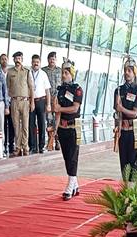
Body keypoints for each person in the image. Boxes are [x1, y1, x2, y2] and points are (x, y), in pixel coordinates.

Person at [53, 58, 83, 200]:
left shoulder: (77, 90)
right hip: (62, 127)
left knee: (72, 157)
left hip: (73, 127)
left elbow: (75, 108)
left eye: (66, 73)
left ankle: (70, 186)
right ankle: (75, 184)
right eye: (62, 73)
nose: (63, 75)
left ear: (72, 74)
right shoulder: (60, 90)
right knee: (66, 157)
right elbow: (57, 111)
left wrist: (60, 108)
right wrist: (55, 130)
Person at [114, 55, 137, 181]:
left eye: (129, 70)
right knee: (123, 160)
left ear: (134, 73)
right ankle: (125, 184)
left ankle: (132, 186)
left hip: (133, 129)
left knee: (132, 159)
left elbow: (135, 113)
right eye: (125, 70)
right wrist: (117, 125)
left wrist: (122, 108)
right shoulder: (118, 90)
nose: (127, 73)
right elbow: (116, 111)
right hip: (122, 128)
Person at [6, 51, 35, 156]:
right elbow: (7, 87)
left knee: (25, 125)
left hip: (25, 101)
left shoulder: (27, 71)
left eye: (19, 58)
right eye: (16, 58)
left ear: (22, 60)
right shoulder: (10, 72)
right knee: (16, 125)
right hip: (14, 101)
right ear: (13, 60)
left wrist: (32, 102)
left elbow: (31, 87)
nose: (17, 60)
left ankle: (25, 146)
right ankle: (18, 147)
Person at [29, 54, 51, 153]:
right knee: (31, 124)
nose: (36, 64)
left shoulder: (43, 74)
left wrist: (48, 104)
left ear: (40, 63)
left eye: (37, 62)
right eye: (34, 62)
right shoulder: (28, 73)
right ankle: (32, 146)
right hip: (31, 101)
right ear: (31, 63)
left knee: (42, 123)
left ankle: (41, 146)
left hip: (41, 101)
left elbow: (47, 90)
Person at [43, 51, 62, 151]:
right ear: (48, 60)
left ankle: (57, 140)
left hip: (58, 100)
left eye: (53, 59)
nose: (52, 61)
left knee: (57, 121)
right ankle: (50, 142)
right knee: (49, 120)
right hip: (48, 100)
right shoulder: (43, 71)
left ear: (56, 60)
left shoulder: (60, 70)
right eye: (50, 59)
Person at [0, 53, 15, 155]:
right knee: (3, 125)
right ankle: (3, 145)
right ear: (0, 61)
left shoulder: (12, 72)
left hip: (11, 101)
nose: (4, 61)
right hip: (1, 102)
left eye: (5, 59)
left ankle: (11, 145)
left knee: (12, 125)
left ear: (8, 61)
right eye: (2, 59)